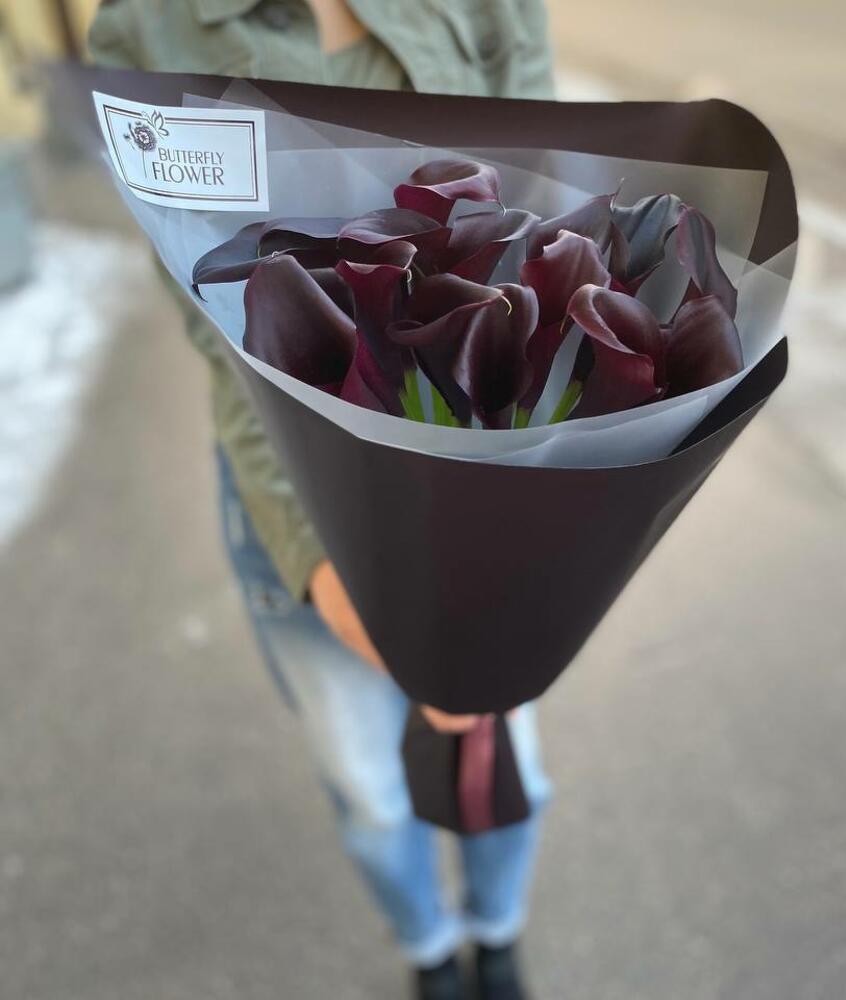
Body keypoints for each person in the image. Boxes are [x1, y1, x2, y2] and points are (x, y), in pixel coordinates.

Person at [87, 2, 556, 998]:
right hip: (297, 487)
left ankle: (497, 932)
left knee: (499, 751)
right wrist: (317, 554)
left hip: (484, 474)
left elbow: (548, 224)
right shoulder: (150, 25)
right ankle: (430, 950)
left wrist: (533, 517)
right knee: (371, 791)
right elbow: (214, 319)